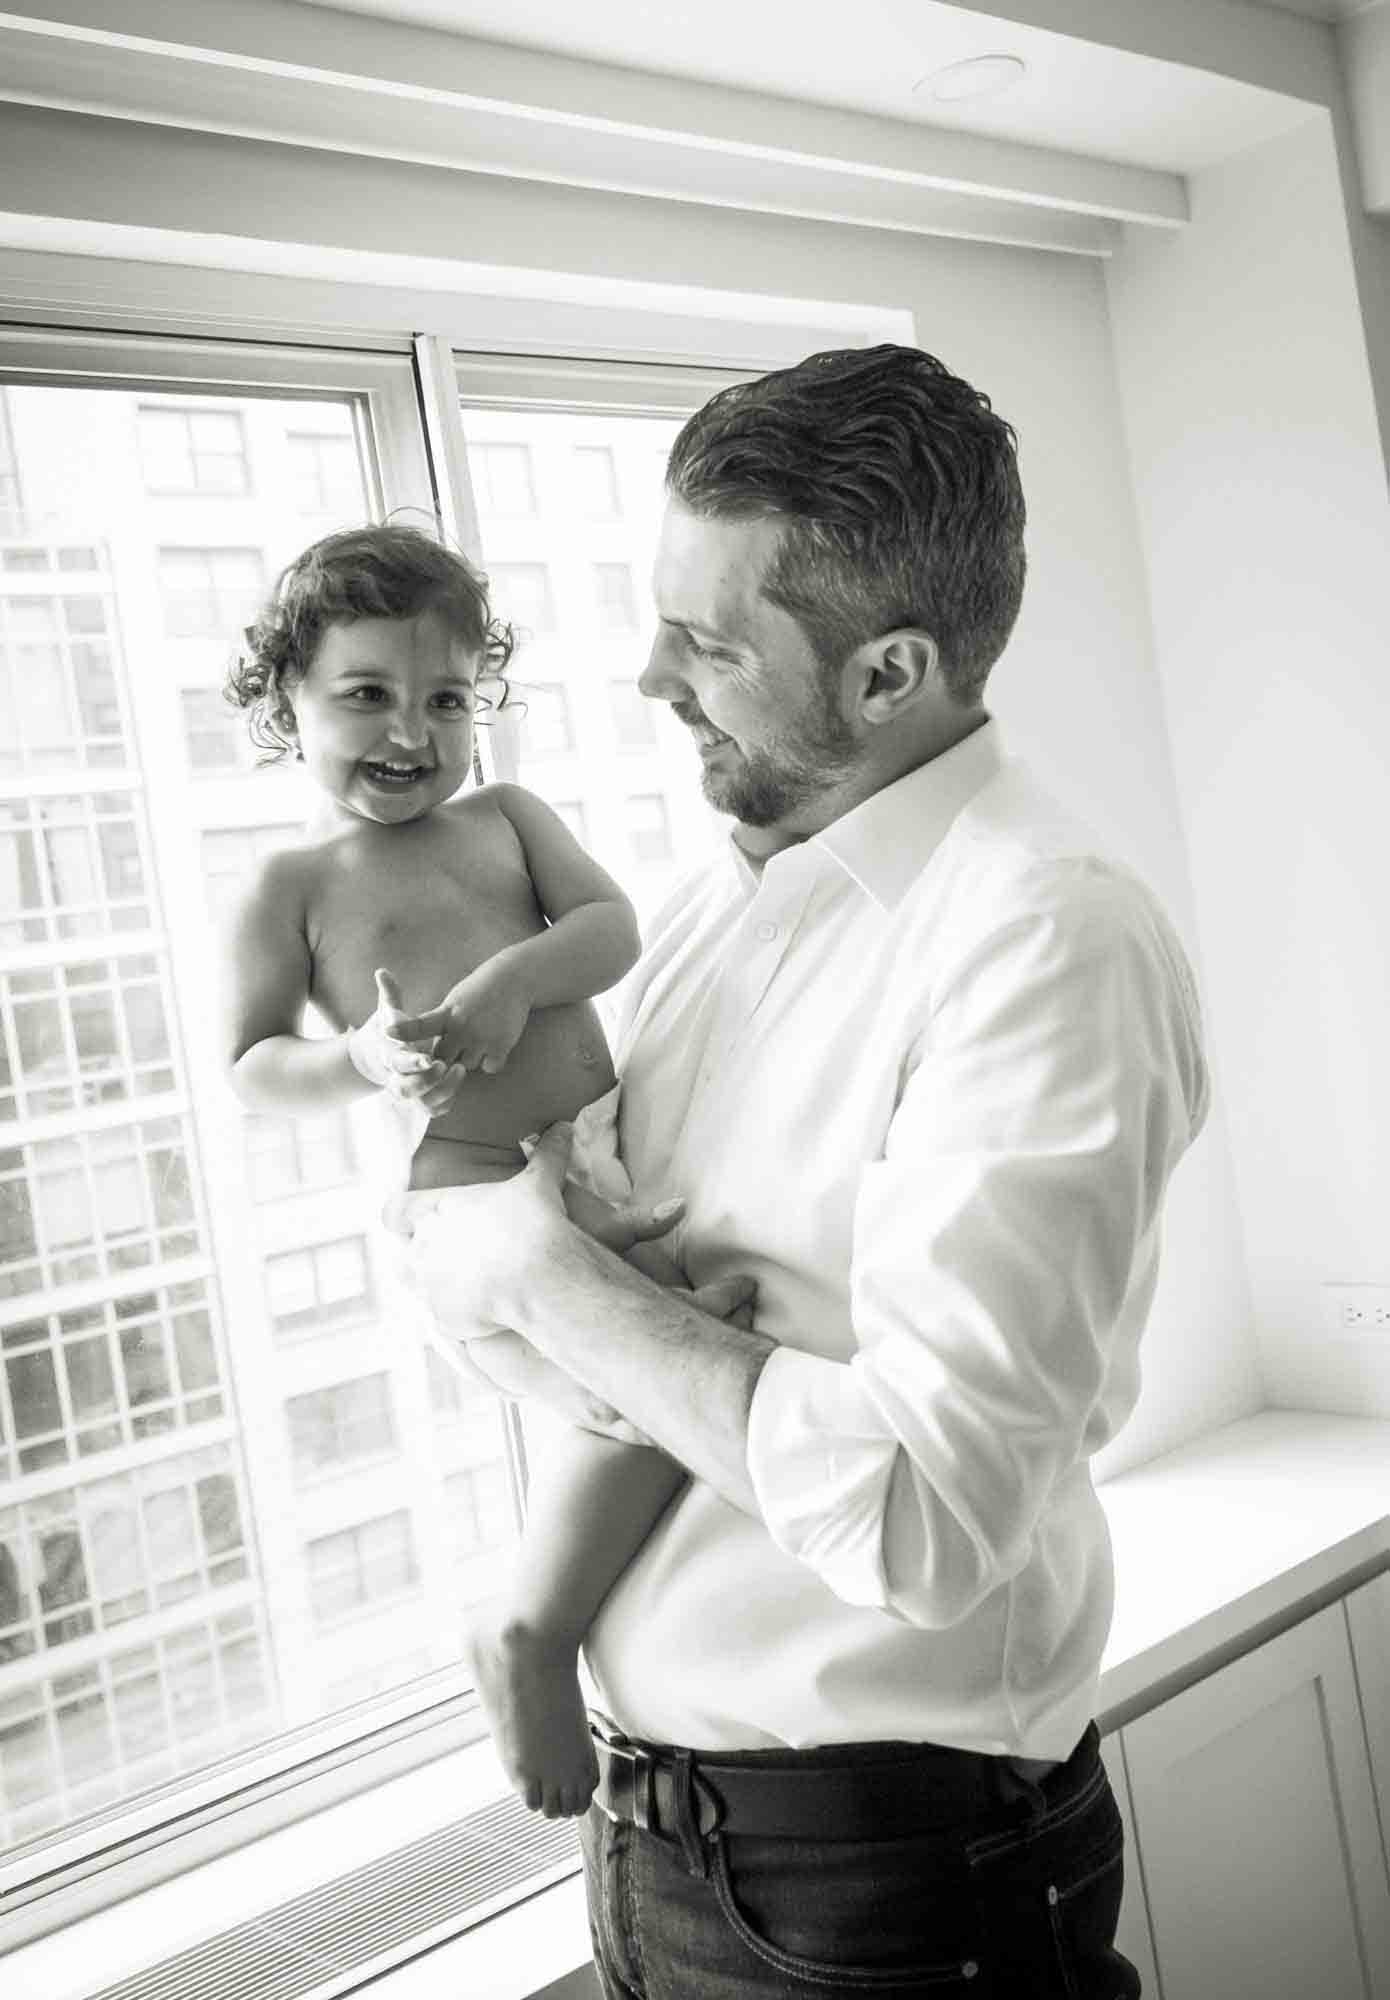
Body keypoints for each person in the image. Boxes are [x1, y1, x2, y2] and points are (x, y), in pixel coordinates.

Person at [400, 344, 1211, 1998]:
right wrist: (530, 1275)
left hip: (884, 1883)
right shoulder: (712, 909)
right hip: (654, 1839)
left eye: (706, 640)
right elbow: (524, 1284)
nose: (647, 676)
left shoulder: (1041, 937)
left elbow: (921, 1516)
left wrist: (545, 1277)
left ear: (887, 672)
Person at [220, 521, 720, 1819]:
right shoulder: (293, 883)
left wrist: (508, 984)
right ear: (288, 701)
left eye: (445, 699)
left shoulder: (504, 820)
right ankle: (528, 1628)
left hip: (594, 1162)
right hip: (475, 1202)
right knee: (652, 1396)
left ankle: (581, 1628)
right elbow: (250, 1067)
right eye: (366, 695)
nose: (410, 732)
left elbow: (608, 932)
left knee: (694, 1374)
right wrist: (363, 1065)